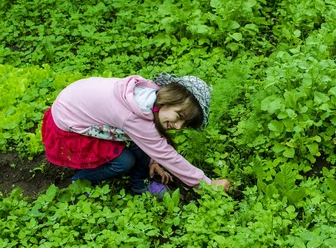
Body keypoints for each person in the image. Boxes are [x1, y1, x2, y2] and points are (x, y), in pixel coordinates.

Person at [41, 73, 231, 196]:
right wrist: (206, 184)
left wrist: (153, 160)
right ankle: (80, 180)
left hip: (75, 102)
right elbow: (167, 155)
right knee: (125, 162)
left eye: (185, 124)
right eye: (179, 116)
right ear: (170, 98)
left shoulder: (149, 96)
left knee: (142, 148)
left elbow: (151, 139)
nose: (179, 126)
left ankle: (139, 178)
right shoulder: (134, 117)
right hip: (69, 123)